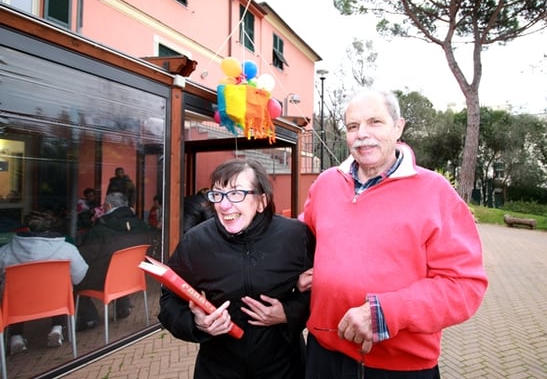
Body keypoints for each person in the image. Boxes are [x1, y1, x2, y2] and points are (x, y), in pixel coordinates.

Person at [300, 89, 488, 379]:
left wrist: (384, 313)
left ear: (398, 127)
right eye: (353, 126)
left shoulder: (435, 192)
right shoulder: (326, 184)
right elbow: (301, 240)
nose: (362, 134)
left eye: (375, 122)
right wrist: (295, 280)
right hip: (322, 356)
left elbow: (464, 286)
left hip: (398, 367)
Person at [158, 159, 315, 379]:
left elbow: (321, 291)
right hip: (217, 369)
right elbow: (169, 300)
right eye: (218, 194)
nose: (224, 205)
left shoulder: (295, 236)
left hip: (284, 368)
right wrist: (195, 323)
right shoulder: (196, 242)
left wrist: (288, 313)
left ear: (261, 201)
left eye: (235, 194)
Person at [0, 210, 88, 354]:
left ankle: (15, 336)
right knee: (62, 288)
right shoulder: (67, 249)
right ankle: (57, 327)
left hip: (17, 303)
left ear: (27, 228)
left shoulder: (5, 251)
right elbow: (79, 276)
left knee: (13, 294)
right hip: (55, 300)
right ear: (50, 227)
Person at [76, 192, 151, 330]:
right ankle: (123, 306)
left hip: (106, 279)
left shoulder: (100, 229)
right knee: (118, 266)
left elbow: (84, 256)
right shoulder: (141, 225)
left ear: (108, 206)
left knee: (75, 277)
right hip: (133, 276)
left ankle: (89, 318)